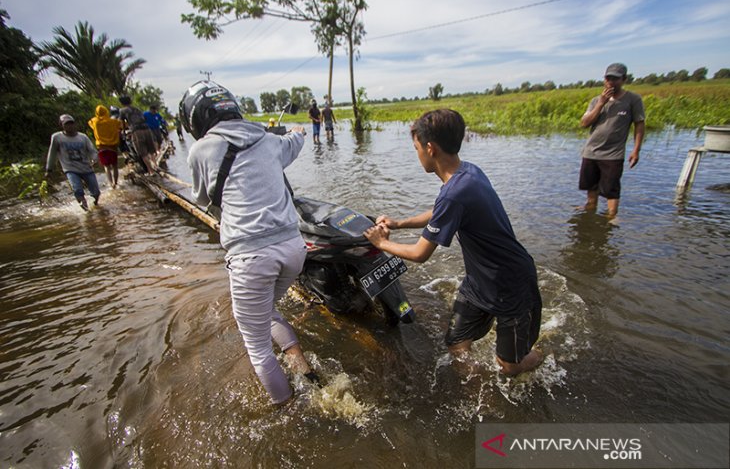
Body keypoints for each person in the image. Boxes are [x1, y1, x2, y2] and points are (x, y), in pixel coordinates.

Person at [363, 109, 543, 376]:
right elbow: (440, 212)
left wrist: (382, 243)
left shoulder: (455, 192)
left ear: (430, 148)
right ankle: (475, 387)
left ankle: (544, 357)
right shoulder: (467, 172)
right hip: (479, 282)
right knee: (457, 344)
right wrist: (400, 223)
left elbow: (420, 253)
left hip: (510, 284)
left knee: (509, 365)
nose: (417, 155)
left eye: (416, 148)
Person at [181, 80, 319, 404]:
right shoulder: (267, 138)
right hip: (293, 249)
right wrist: (298, 131)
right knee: (268, 310)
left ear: (197, 119)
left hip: (252, 257)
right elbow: (293, 143)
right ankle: (302, 367)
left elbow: (202, 198)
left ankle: (289, 410)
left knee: (257, 348)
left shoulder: (200, 150)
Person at [579, 63, 645, 217]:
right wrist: (602, 103)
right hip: (591, 152)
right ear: (604, 80)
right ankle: (590, 211)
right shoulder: (596, 101)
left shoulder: (632, 100)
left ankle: (611, 217)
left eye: (615, 79)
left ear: (624, 79)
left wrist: (636, 151)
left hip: (613, 154)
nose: (611, 82)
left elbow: (639, 125)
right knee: (591, 188)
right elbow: (584, 123)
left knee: (611, 190)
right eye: (608, 78)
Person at [45, 114, 100, 211]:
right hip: (70, 169)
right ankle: (85, 210)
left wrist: (95, 159)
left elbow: (92, 150)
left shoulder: (83, 137)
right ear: (62, 125)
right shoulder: (57, 137)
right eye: (66, 124)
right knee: (78, 190)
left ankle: (95, 205)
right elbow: (52, 153)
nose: (70, 126)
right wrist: (49, 169)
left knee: (96, 193)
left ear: (75, 124)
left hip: (86, 167)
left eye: (71, 123)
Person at [119, 95, 159, 175]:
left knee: (142, 152)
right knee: (151, 150)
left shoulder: (122, 110)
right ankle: (155, 165)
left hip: (137, 131)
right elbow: (143, 118)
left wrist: (123, 132)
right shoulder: (137, 109)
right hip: (147, 129)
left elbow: (122, 123)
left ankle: (151, 171)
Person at [88, 104, 123, 188]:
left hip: (102, 147)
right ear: (106, 112)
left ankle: (111, 184)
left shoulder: (95, 121)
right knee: (115, 166)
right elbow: (121, 124)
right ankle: (116, 182)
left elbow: (90, 123)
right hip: (113, 147)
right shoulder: (113, 121)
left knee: (106, 167)